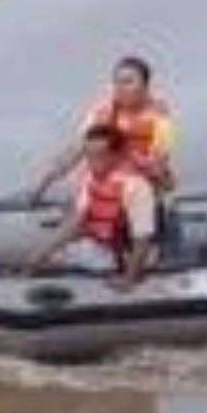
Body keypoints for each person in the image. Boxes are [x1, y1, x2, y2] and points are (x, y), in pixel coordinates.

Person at [26, 124, 159, 290]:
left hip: (122, 257)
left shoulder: (135, 186)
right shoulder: (92, 179)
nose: (91, 162)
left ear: (116, 155)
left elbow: (142, 239)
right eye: (88, 155)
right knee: (47, 258)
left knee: (60, 268)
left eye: (99, 156)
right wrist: (44, 253)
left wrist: (128, 279)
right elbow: (77, 222)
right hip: (99, 248)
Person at [29, 56, 177, 202]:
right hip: (107, 185)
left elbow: (159, 164)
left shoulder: (160, 117)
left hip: (141, 188)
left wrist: (125, 149)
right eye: (116, 82)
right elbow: (75, 150)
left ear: (145, 85)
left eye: (127, 82)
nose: (119, 88)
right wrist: (43, 185)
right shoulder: (102, 112)